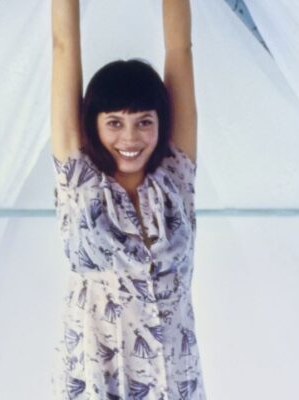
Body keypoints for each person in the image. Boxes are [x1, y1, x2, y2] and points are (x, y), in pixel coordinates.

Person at [50, 1, 206, 398]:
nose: (130, 138)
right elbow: (63, 45)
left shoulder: (176, 175)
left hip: (176, 381)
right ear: (93, 124)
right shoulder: (78, 178)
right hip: (96, 380)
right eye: (115, 123)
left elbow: (180, 49)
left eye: (144, 122)